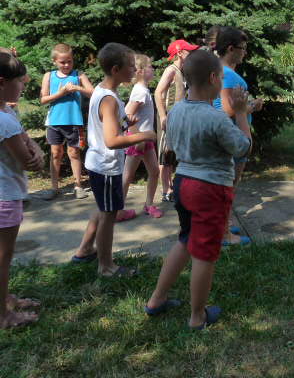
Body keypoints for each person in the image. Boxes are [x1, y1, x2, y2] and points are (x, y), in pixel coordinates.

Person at [145, 49, 251, 330]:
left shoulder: (176, 111)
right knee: (205, 253)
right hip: (210, 190)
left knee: (185, 239)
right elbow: (242, 147)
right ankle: (197, 317)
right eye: (222, 78)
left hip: (183, 184)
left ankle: (156, 300)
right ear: (214, 78)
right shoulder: (215, 117)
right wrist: (241, 113)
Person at [72, 43, 156, 277]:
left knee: (103, 209)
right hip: (106, 166)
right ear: (116, 69)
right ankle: (106, 266)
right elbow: (111, 141)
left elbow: (107, 125)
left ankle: (84, 250)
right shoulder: (108, 99)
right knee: (108, 216)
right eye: (131, 66)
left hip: (98, 163)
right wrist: (144, 135)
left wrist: (125, 123)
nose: (135, 70)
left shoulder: (103, 91)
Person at [0, 51, 45, 328]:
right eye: (19, 81)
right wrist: (36, 157)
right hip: (5, 197)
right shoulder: (4, 119)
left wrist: (36, 149)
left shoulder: (7, 111)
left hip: (6, 194)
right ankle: (3, 315)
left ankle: (5, 298)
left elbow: (28, 141)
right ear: (2, 82)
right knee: (3, 257)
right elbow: (27, 161)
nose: (23, 85)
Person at [214, 27, 263, 244]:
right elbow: (227, 109)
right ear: (230, 48)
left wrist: (248, 105)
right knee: (228, 186)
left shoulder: (220, 71)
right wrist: (250, 107)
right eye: (242, 48)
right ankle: (223, 233)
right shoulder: (227, 74)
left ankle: (223, 224)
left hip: (230, 135)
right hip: (233, 137)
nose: (245, 52)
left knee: (227, 185)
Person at [40, 43, 94, 200]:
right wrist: (61, 93)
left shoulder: (79, 75)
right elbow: (43, 99)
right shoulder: (49, 76)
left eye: (69, 61)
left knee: (74, 153)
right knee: (55, 153)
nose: (66, 65)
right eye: (62, 62)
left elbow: (93, 92)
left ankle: (78, 185)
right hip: (54, 121)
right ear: (54, 61)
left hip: (73, 121)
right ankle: (54, 187)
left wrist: (78, 88)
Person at [154, 39, 199, 202]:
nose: (192, 54)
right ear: (180, 53)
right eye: (189, 51)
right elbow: (158, 93)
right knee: (164, 154)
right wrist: (162, 116)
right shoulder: (171, 70)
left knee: (172, 154)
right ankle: (166, 190)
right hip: (168, 117)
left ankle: (172, 187)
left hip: (178, 117)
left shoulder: (182, 71)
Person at [122, 54, 163, 220]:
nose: (153, 69)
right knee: (127, 176)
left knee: (154, 172)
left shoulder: (144, 90)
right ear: (139, 71)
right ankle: (117, 210)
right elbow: (127, 115)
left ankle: (149, 205)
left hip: (145, 140)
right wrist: (137, 137)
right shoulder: (140, 92)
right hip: (138, 140)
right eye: (150, 67)